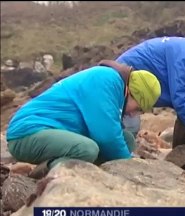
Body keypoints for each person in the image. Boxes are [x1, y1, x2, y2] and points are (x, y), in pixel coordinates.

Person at [6, 60, 161, 179]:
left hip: (56, 131)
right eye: (138, 108)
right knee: (87, 150)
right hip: (27, 133)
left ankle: (85, 167)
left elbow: (113, 135)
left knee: (127, 140)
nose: (134, 114)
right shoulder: (106, 80)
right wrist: (130, 166)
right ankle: (44, 170)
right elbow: (106, 136)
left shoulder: (114, 86)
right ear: (132, 92)